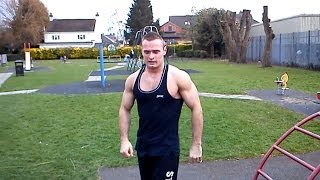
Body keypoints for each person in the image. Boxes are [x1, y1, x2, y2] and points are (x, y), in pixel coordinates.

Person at [119, 32, 203, 180]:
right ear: (142, 52)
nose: (151, 56)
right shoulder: (133, 80)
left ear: (164, 50)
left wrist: (196, 144)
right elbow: (125, 109)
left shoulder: (178, 77)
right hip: (144, 148)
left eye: (156, 51)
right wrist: (124, 140)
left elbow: (196, 107)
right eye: (147, 52)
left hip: (167, 150)